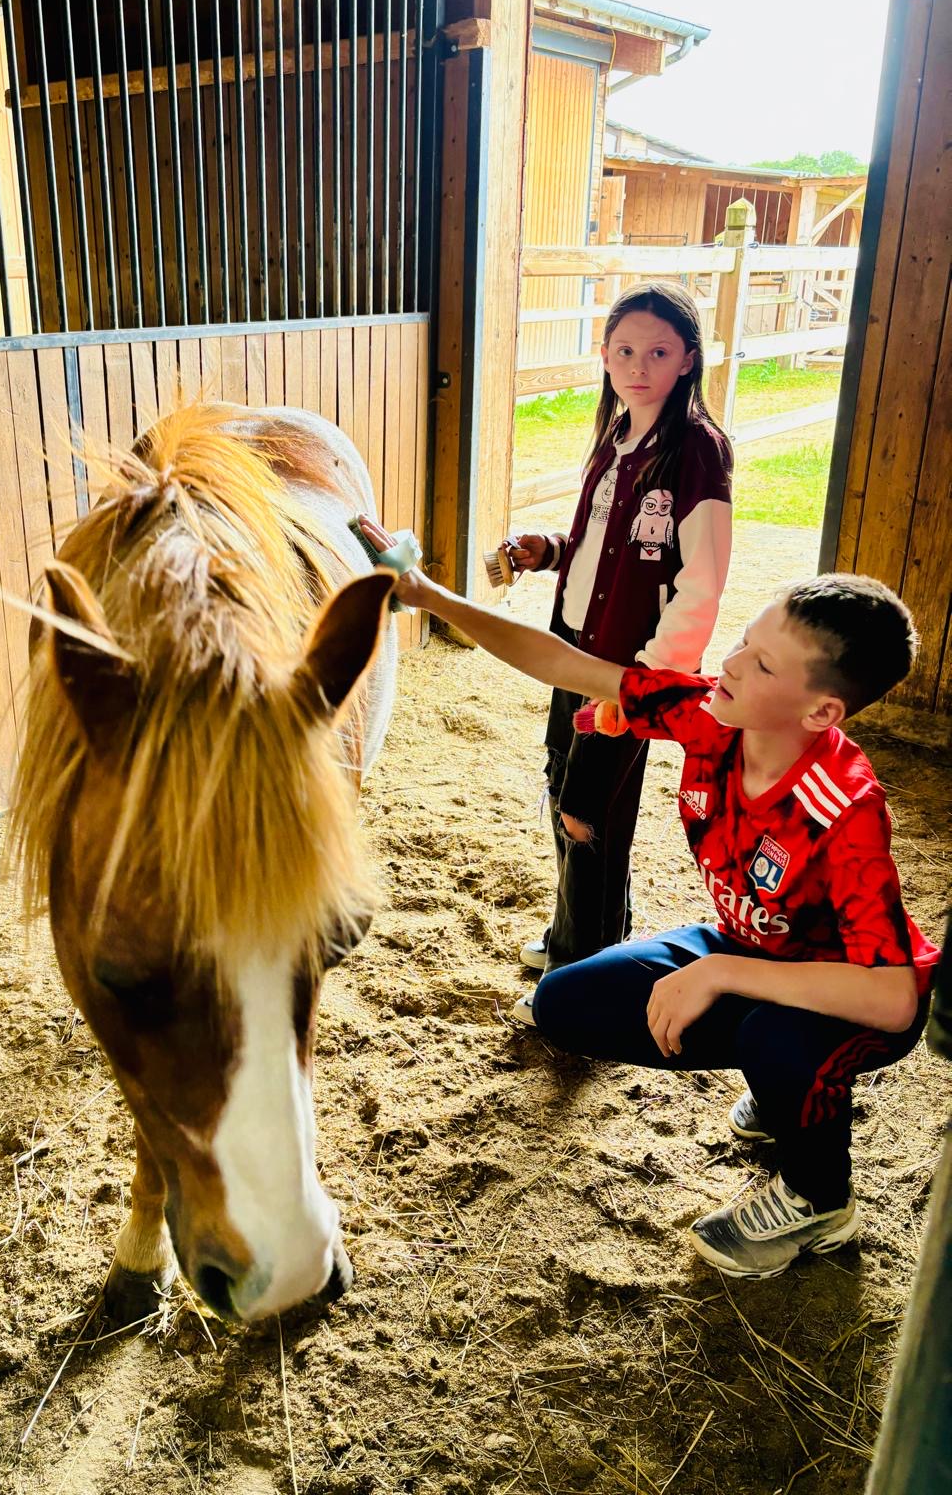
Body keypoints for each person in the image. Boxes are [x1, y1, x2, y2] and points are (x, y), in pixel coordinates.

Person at [356, 528, 938, 1279]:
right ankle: (783, 1088)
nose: (726, 663)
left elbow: (892, 997)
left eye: (760, 664)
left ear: (822, 713)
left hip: (846, 994)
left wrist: (719, 976)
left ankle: (818, 1195)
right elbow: (566, 665)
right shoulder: (708, 714)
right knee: (566, 1003)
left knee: (779, 1039)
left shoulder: (845, 807)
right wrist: (427, 596)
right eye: (742, 641)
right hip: (750, 948)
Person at [505, 282, 733, 979]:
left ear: (688, 360)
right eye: (626, 350)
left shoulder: (697, 450)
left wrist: (646, 683)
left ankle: (580, 972)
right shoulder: (614, 435)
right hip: (571, 652)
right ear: (605, 356)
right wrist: (549, 549)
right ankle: (584, 934)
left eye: (659, 352)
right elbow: (599, 543)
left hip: (624, 672)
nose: (639, 365)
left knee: (589, 814)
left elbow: (702, 580)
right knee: (562, 787)